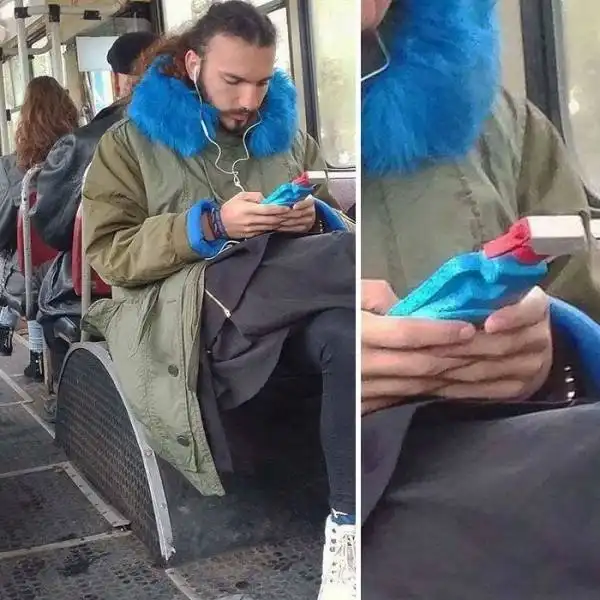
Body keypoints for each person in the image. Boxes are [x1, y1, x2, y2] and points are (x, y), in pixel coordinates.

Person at [81, 3, 355, 598]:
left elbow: (325, 209)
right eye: (233, 81)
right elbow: (109, 253)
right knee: (330, 260)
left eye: (262, 82)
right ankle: (383, 276)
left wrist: (313, 217)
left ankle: (348, 531)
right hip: (185, 311)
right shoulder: (129, 145)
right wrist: (209, 227)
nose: (249, 100)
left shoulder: (288, 139)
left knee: (346, 335)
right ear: (193, 64)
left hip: (285, 307)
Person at [361, 0, 600, 599]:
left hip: (500, 454)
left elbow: (579, 293)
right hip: (321, 476)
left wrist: (556, 352)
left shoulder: (504, 121)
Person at [31, 30, 159, 251]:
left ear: (118, 80)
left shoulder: (80, 145)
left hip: (110, 264)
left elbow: (54, 230)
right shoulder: (206, 130)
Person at [0, 76, 79, 379]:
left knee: (22, 253)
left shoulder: (12, 168)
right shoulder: (83, 157)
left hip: (29, 275)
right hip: (73, 268)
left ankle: (11, 327)